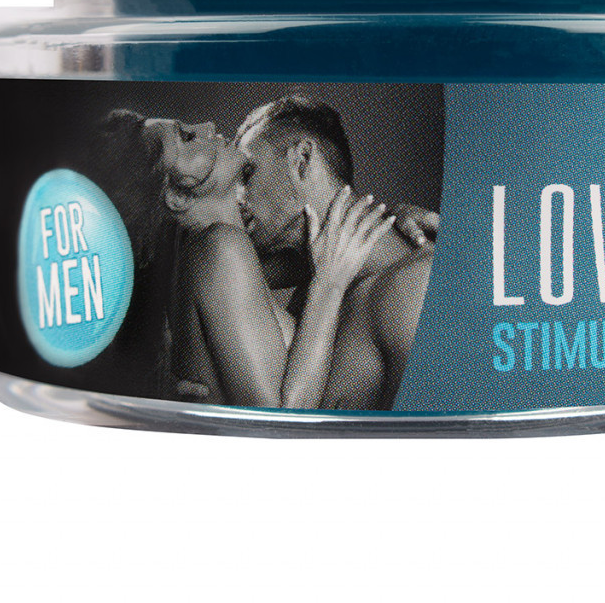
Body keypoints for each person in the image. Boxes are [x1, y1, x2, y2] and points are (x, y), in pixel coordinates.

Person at [102, 109, 394, 409]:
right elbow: (282, 419)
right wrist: (329, 286)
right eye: (187, 137)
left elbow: (334, 250)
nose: (208, 124)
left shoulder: (213, 257)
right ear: (176, 197)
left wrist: (400, 218)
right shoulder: (219, 248)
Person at [236, 96, 434, 409]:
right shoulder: (316, 290)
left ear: (302, 160)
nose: (236, 197)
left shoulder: (414, 287)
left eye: (247, 174)